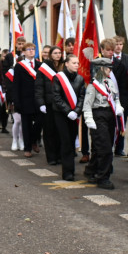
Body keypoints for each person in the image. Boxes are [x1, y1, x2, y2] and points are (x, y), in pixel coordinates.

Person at [82, 57, 120, 188]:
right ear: (101, 69)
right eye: (108, 68)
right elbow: (87, 104)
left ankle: (91, 170)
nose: (110, 70)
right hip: (98, 115)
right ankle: (103, 177)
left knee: (103, 146)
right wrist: (88, 118)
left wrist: (118, 106)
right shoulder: (93, 85)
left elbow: (115, 97)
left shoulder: (110, 82)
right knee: (104, 148)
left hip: (110, 115)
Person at [51, 53, 86, 181]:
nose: (76, 65)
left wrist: (76, 111)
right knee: (65, 141)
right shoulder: (58, 78)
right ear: (66, 64)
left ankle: (71, 168)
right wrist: (68, 111)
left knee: (72, 141)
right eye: (74, 63)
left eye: (77, 63)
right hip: (61, 114)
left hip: (75, 115)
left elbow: (82, 97)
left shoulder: (80, 79)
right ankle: (67, 172)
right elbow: (56, 97)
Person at [36, 46, 64, 165]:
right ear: (51, 55)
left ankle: (59, 155)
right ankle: (51, 157)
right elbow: (39, 87)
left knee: (60, 131)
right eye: (55, 53)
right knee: (49, 131)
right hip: (49, 104)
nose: (58, 55)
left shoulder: (64, 66)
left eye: (59, 53)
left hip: (62, 105)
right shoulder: (44, 68)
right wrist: (41, 103)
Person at [13, 42, 41, 158]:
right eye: (28, 49)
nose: (31, 51)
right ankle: (27, 147)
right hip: (25, 99)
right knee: (26, 124)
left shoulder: (39, 65)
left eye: (33, 49)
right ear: (23, 52)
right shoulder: (19, 66)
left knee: (40, 121)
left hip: (38, 99)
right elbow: (16, 85)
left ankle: (33, 139)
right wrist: (17, 101)